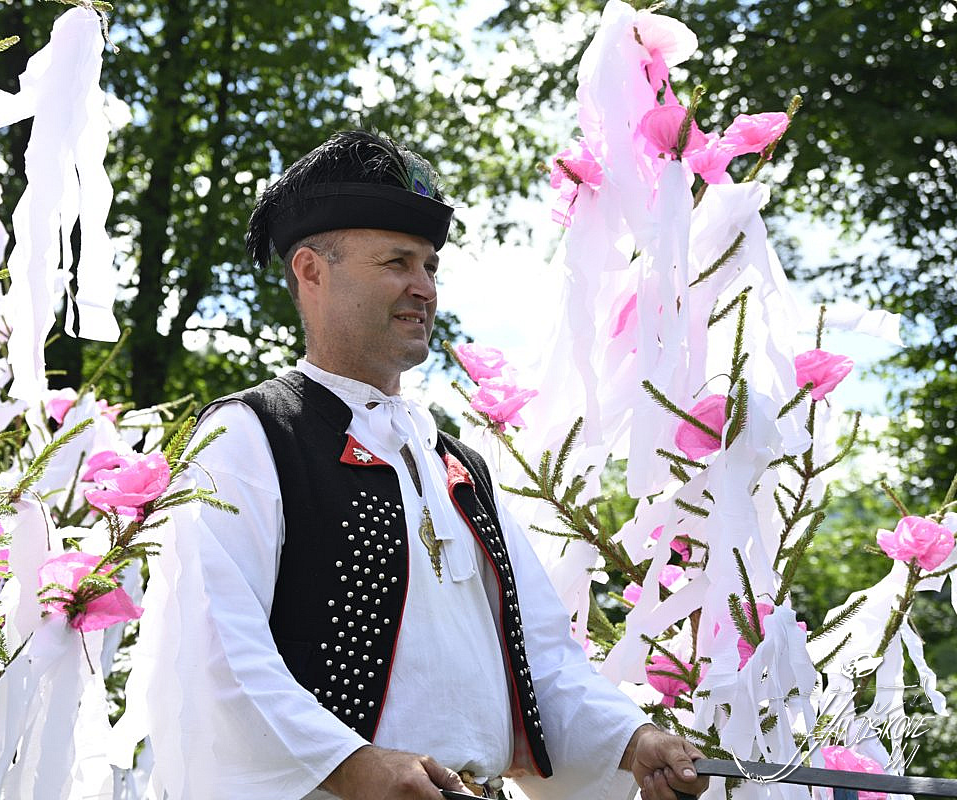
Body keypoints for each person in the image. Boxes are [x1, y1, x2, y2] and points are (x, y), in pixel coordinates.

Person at [147, 130, 708, 800]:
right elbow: (218, 647)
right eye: (397, 262)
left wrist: (632, 741)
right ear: (311, 271)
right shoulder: (250, 435)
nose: (423, 288)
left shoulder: (456, 464)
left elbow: (540, 658)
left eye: (431, 267)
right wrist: (354, 765)